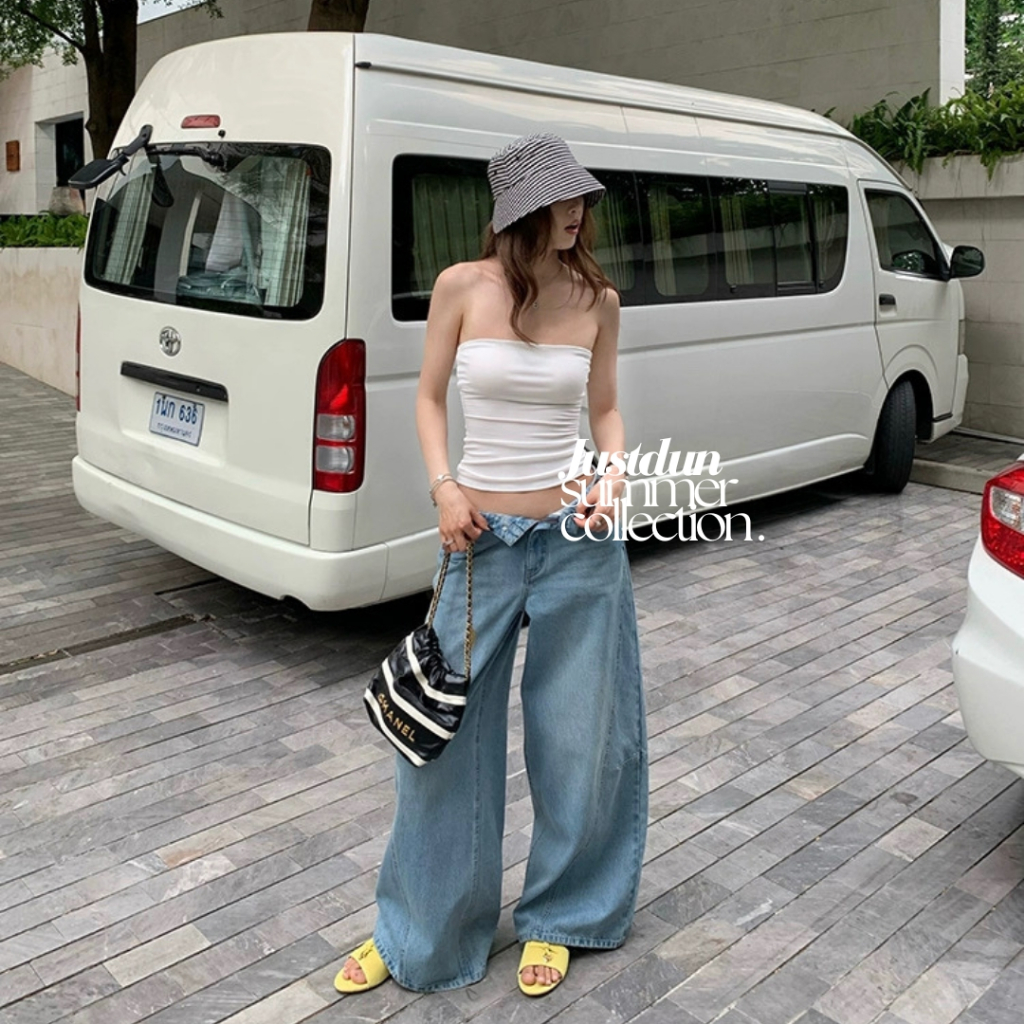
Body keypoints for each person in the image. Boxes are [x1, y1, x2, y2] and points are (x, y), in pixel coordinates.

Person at [334, 132, 648, 998]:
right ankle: (418, 931)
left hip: (578, 541)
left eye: (582, 199)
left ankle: (565, 916)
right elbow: (428, 397)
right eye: (563, 200)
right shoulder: (461, 288)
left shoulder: (598, 299)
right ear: (521, 211)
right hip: (478, 544)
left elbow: (607, 410)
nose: (578, 212)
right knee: (441, 743)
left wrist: (614, 472)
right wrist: (443, 487)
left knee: (583, 739)